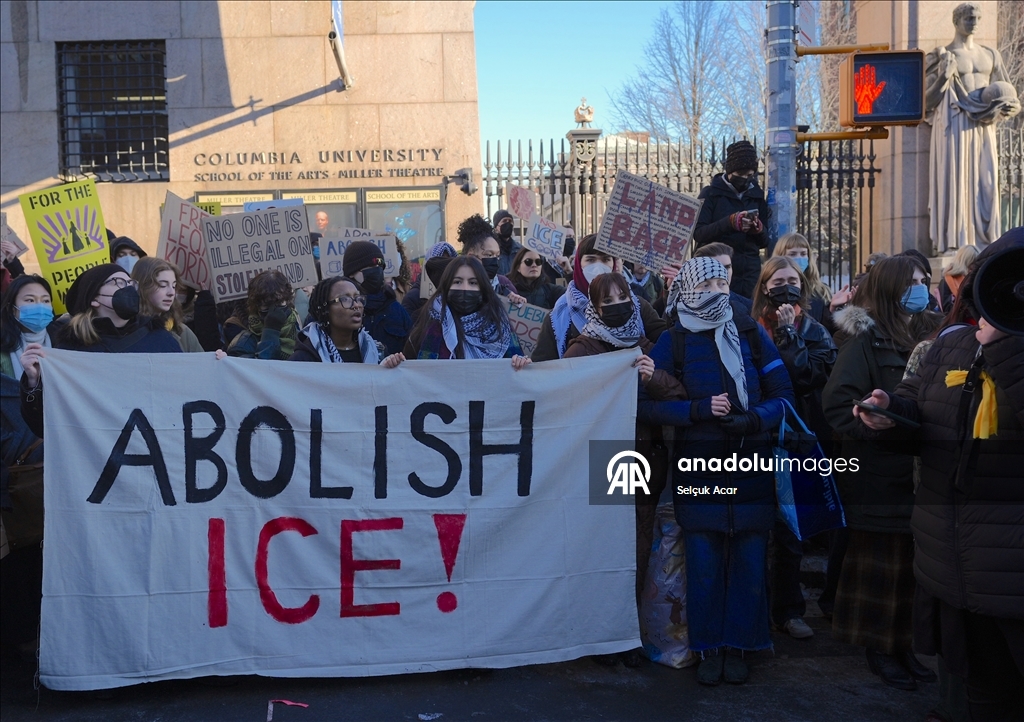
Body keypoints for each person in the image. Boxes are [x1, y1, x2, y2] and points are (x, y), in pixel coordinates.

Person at [858, 231, 1024, 721]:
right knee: (981, 698)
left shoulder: (998, 348)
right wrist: (890, 415)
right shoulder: (950, 345)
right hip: (957, 571)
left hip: (1011, 579)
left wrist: (1008, 349)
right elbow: (923, 415)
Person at [638, 257, 795, 686]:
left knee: (748, 564)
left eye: (721, 280)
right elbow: (644, 405)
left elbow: (784, 395)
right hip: (698, 470)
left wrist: (753, 419)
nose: (716, 289)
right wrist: (696, 411)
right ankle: (708, 648)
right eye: (705, 282)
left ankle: (741, 646)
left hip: (751, 464)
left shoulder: (750, 331)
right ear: (688, 289)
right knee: (703, 567)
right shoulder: (674, 339)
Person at [821, 255, 942, 691]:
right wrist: (873, 426)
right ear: (891, 287)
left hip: (918, 476)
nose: (921, 287)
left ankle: (904, 646)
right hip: (877, 473)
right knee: (880, 568)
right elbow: (838, 403)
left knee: (910, 571)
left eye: (924, 280)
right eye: (912, 281)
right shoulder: (864, 339)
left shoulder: (931, 333)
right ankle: (879, 648)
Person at [563, 271, 686, 667]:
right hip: (609, 457)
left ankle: (628, 634)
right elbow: (560, 391)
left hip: (646, 456)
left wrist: (654, 377)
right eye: (607, 299)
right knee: (608, 547)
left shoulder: (645, 345)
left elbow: (678, 391)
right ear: (594, 307)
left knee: (637, 547)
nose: (617, 304)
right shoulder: (583, 348)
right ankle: (604, 635)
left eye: (622, 296)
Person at [751, 256, 838, 641]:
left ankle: (788, 609)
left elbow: (805, 376)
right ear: (765, 286)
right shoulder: (749, 327)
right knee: (755, 528)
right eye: (777, 280)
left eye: (792, 279)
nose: (786, 286)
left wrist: (789, 334)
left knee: (790, 531)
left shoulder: (815, 331)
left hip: (796, 440)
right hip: (754, 437)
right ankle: (753, 609)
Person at [531, 234, 665, 361]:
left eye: (606, 259)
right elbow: (542, 365)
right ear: (578, 263)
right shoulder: (559, 316)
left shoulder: (636, 305)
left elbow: (666, 343)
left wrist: (674, 294)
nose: (598, 266)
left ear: (613, 264)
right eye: (590, 260)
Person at [404, 256, 529, 368]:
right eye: (457, 282)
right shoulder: (427, 327)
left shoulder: (500, 327)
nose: (465, 288)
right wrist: (393, 364)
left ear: (483, 288)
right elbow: (409, 376)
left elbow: (518, 372)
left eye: (473, 283)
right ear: (446, 286)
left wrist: (521, 364)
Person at [692, 140, 771, 299]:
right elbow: (699, 234)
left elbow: (764, 241)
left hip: (749, 275)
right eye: (740, 174)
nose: (745, 179)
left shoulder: (756, 196)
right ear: (730, 171)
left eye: (749, 175)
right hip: (717, 274)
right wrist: (730, 222)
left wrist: (758, 229)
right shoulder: (710, 194)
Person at [289, 276, 404, 367]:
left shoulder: (378, 352)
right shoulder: (304, 360)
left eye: (358, 298)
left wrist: (387, 369)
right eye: (345, 299)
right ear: (325, 309)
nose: (356, 305)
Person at [342, 241, 413, 356]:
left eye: (380, 266)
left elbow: (412, 352)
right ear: (351, 273)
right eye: (371, 267)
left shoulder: (396, 310)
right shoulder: (339, 310)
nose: (377, 271)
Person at [131, 257, 204, 353]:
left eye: (173, 286)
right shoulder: (122, 330)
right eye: (163, 285)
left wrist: (218, 359)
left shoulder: (183, 333)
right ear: (142, 287)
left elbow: (203, 365)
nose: (171, 293)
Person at [0, 275, 64, 381]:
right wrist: (31, 381)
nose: (40, 306)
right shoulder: (3, 350)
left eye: (46, 301)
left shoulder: (65, 340)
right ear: (12, 308)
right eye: (30, 300)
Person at [226, 270, 301, 360]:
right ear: (256, 306)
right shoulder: (241, 346)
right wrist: (270, 331)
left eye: (279, 302)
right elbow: (264, 370)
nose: (274, 310)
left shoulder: (298, 331)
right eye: (267, 305)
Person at [771, 232, 834, 331]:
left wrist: (832, 310)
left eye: (803, 254)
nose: (799, 258)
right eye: (793, 254)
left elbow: (827, 331)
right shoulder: (773, 290)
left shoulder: (821, 291)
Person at [459, 215, 524, 303]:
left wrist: (515, 302)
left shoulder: (503, 284)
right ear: (471, 256)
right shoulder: (455, 286)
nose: (495, 260)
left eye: (497, 256)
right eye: (489, 255)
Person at [692, 243, 753, 317]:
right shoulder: (684, 307)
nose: (723, 272)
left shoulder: (748, 307)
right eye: (717, 267)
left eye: (727, 267)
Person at [402, 242, 457, 317]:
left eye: (448, 264)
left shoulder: (455, 293)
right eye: (440, 264)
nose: (444, 270)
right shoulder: (414, 298)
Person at [937, 244, 979, 314]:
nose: (974, 266)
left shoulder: (977, 278)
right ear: (964, 262)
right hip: (958, 322)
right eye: (971, 263)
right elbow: (946, 309)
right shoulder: (947, 281)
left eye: (976, 263)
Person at [492, 209, 522, 276]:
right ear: (496, 227)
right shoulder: (491, 250)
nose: (508, 223)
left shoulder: (520, 250)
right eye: (504, 221)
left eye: (510, 221)